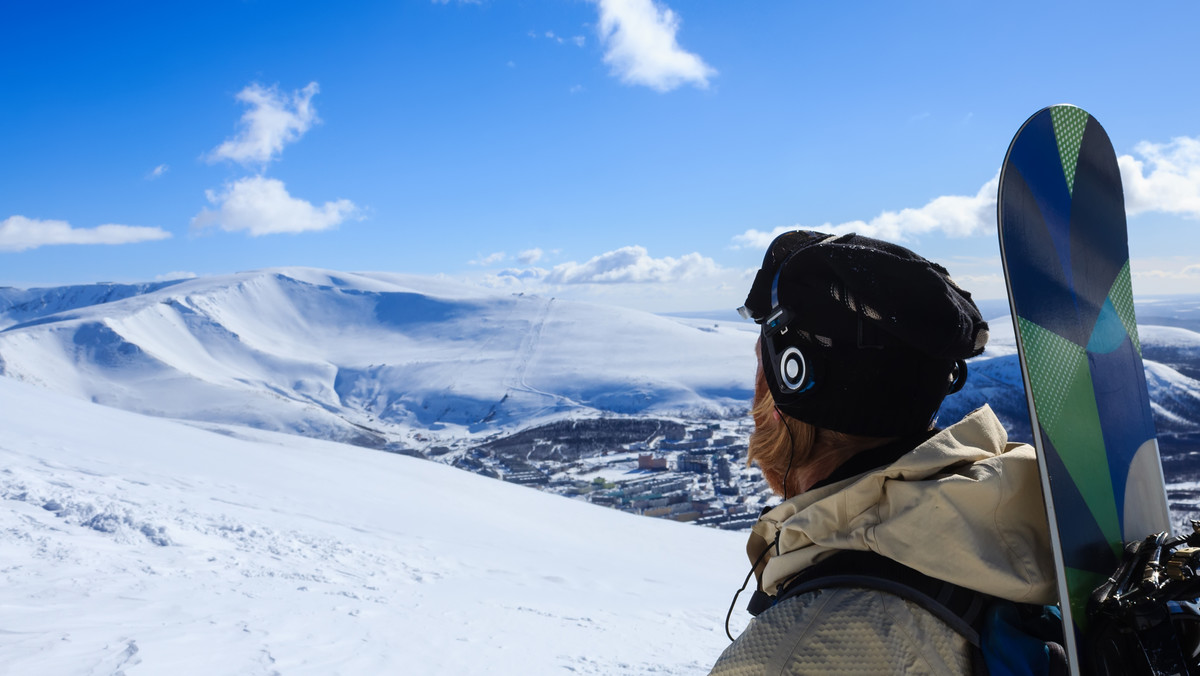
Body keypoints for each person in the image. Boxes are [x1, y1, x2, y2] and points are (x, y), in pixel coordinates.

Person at [709, 230, 1057, 675]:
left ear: (792, 379)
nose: (755, 393)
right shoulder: (1024, 527)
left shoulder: (791, 656)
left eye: (763, 365)